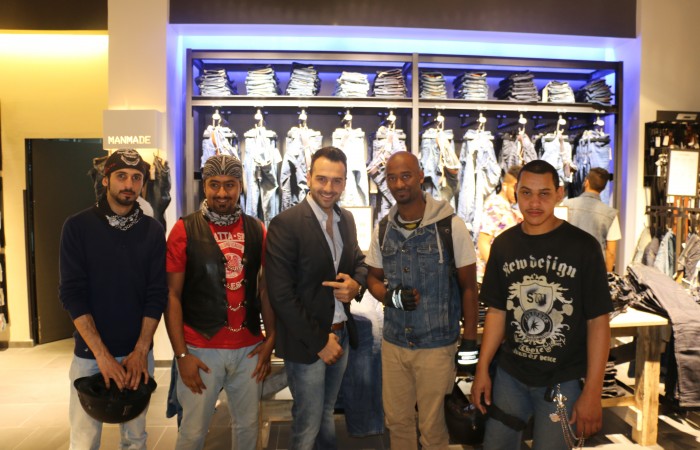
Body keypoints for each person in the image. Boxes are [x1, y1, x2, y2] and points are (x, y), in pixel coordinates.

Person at [471, 159, 613, 450]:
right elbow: (497, 311)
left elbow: (598, 321)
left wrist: (593, 391)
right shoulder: (504, 245)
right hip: (511, 374)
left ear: (559, 194)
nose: (534, 203)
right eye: (526, 193)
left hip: (563, 378)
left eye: (544, 193)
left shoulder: (583, 247)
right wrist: (482, 368)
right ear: (516, 194)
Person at [365, 151, 479, 450]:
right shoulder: (383, 229)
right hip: (394, 344)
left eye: (405, 176)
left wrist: (469, 341)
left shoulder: (450, 226)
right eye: (392, 178)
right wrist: (389, 297)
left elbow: (469, 287)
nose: (399, 184)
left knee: (434, 428)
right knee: (397, 422)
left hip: (436, 346)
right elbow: (372, 277)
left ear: (420, 176)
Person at [164, 154, 275, 450]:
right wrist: (182, 355)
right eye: (214, 184)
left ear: (240, 186)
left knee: (248, 428)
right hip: (200, 348)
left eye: (230, 185)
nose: (222, 193)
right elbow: (171, 295)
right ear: (204, 187)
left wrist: (271, 339)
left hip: (249, 349)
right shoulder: (184, 229)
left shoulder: (257, 229)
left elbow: (265, 290)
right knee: (192, 432)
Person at [59, 148, 167, 449]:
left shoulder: (152, 230)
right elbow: (72, 294)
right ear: (106, 179)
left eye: (136, 178)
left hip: (137, 355)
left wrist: (141, 350)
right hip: (89, 356)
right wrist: (102, 356)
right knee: (84, 440)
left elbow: (157, 293)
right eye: (121, 176)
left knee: (135, 438)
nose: (129, 185)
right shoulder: (77, 227)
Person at [265, 146, 367, 450]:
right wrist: (320, 341)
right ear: (308, 177)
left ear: (345, 182)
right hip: (307, 342)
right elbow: (281, 294)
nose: (328, 188)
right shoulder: (285, 223)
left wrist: (356, 285)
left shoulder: (347, 220)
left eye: (337, 181)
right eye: (322, 179)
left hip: (341, 335)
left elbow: (359, 262)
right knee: (307, 422)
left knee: (326, 413)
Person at [561, 167, 620, 272]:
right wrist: (606, 276)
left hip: (567, 268)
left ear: (586, 182)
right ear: (603, 188)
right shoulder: (611, 214)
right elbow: (611, 252)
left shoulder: (566, 205)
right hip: (595, 270)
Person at [477, 165, 523, 282]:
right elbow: (483, 242)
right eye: (515, 188)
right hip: (490, 276)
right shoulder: (495, 205)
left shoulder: (507, 207)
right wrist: (499, 272)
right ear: (505, 186)